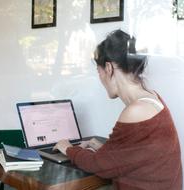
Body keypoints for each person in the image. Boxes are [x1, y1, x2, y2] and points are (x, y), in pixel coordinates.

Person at [53, 29, 183, 190]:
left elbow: (98, 165)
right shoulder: (152, 99)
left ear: (108, 68)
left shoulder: (136, 111)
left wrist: (67, 148)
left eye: (98, 71)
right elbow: (136, 157)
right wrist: (100, 147)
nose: (99, 78)